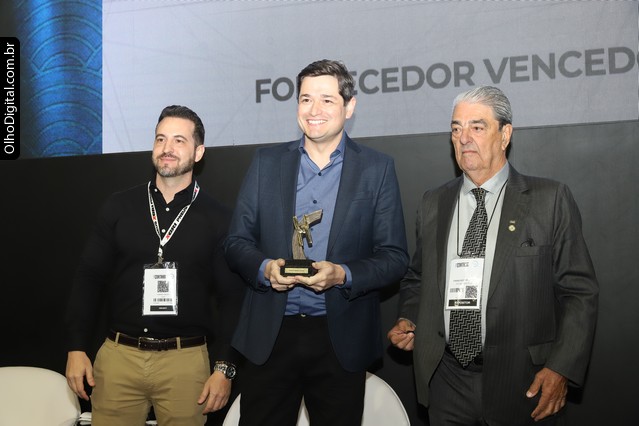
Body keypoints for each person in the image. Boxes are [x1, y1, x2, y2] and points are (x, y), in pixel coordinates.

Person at [388, 86, 599, 426]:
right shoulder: (433, 202)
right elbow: (418, 277)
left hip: (523, 382)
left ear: (505, 135)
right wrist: (408, 317)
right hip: (446, 380)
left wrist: (561, 367)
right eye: (456, 128)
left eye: (477, 126)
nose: (464, 138)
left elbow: (579, 292)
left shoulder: (549, 199)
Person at [223, 59, 409, 426]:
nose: (314, 110)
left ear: (349, 107)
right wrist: (265, 269)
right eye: (306, 99)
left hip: (340, 337)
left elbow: (394, 257)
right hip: (270, 334)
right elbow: (235, 242)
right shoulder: (265, 162)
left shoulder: (376, 168)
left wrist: (342, 275)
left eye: (327, 100)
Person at [65, 105, 244, 426]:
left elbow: (233, 299)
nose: (167, 148)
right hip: (118, 359)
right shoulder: (119, 206)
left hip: (185, 363)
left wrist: (224, 368)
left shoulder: (219, 218)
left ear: (198, 152)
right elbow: (88, 279)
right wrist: (76, 348)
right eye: (160, 139)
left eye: (179, 140)